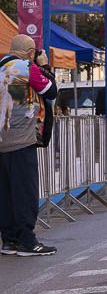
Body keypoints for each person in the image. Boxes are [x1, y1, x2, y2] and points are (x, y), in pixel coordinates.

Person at [0, 35, 56, 256]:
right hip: (22, 140)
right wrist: (43, 65)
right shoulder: (25, 67)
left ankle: (9, 240)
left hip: (3, 140)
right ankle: (27, 241)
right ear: (29, 52)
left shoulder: (2, 67)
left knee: (6, 192)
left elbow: (15, 97)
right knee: (25, 191)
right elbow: (50, 91)